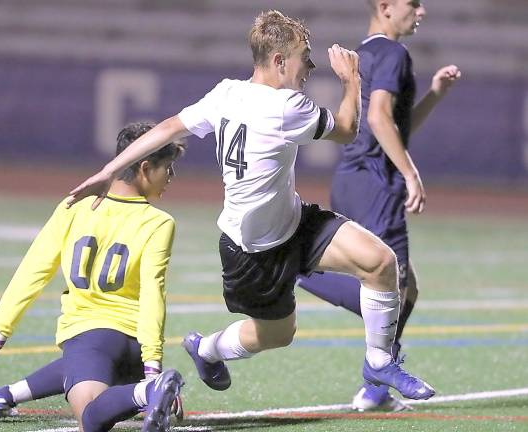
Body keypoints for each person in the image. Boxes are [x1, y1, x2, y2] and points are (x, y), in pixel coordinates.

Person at [66, 10, 435, 404]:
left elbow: (168, 127)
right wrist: (351, 80)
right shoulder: (286, 106)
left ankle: (379, 362)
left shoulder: (227, 93)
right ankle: (206, 350)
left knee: (381, 263)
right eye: (304, 57)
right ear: (279, 61)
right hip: (252, 252)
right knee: (278, 334)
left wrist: (110, 168)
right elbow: (347, 130)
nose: (309, 66)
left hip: (294, 224)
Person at [0, 122, 186, 432]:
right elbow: (152, 296)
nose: (171, 177)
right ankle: (8, 394)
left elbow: (34, 270)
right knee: (89, 368)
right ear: (145, 168)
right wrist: (151, 365)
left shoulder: (73, 207)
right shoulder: (160, 222)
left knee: (91, 418)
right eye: (167, 168)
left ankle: (145, 392)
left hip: (88, 336)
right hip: (133, 348)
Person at [297, 0, 461, 411]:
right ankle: (296, 270)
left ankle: (376, 386)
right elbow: (378, 120)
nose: (420, 12)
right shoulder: (392, 53)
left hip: (354, 178)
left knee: (406, 286)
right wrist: (410, 173)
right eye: (413, 3)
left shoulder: (366, 52)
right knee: (394, 284)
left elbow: (390, 124)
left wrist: (435, 96)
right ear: (386, 7)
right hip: (376, 182)